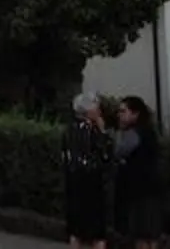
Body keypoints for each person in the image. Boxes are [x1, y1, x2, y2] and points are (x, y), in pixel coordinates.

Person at [61, 92, 111, 249]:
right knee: (97, 231)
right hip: (91, 184)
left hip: (74, 182)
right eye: (96, 107)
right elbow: (105, 155)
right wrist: (103, 133)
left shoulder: (69, 130)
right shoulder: (91, 130)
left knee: (76, 230)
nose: (99, 111)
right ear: (88, 110)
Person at [115, 95, 162, 249]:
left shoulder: (133, 134)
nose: (119, 115)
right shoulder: (149, 132)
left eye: (123, 111)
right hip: (150, 188)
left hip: (138, 190)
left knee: (141, 235)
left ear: (135, 114)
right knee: (150, 234)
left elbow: (118, 151)